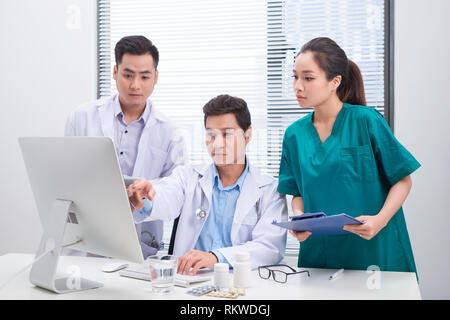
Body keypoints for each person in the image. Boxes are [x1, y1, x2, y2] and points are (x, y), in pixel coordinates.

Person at [278, 37, 420, 274]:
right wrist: (299, 218)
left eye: (308, 78)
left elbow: (403, 180)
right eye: (295, 76)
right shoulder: (294, 134)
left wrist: (380, 220)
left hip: (373, 251)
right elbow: (298, 193)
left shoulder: (366, 121)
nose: (298, 86)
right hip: (321, 255)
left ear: (335, 81)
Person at [128, 94, 288, 275]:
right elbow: (166, 196)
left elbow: (269, 247)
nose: (217, 144)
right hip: (188, 284)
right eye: (211, 135)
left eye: (227, 134)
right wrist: (146, 197)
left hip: (239, 286)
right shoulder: (188, 177)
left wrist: (215, 257)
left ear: (248, 135)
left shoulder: (270, 189)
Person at [64, 35, 185, 258]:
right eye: (127, 75)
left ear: (156, 77)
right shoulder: (82, 117)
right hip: (86, 239)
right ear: (114, 73)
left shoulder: (170, 132)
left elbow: (176, 192)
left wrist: (149, 194)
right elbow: (65, 176)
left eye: (144, 76)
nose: (135, 85)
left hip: (139, 243)